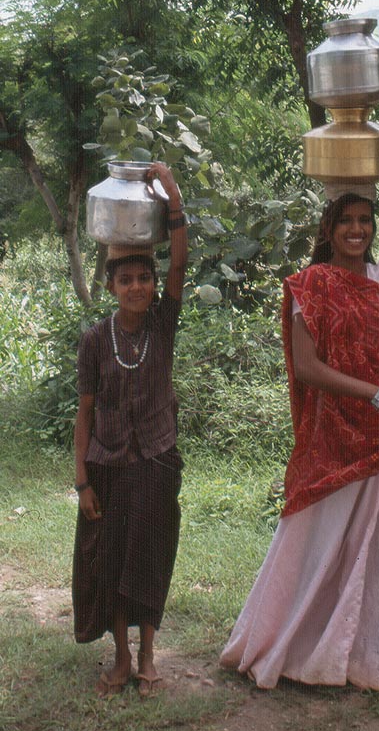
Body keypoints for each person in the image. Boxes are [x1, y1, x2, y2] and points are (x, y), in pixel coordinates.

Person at [220, 126, 379, 690]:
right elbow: (310, 368)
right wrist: (374, 393)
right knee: (315, 535)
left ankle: (356, 651)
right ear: (330, 229)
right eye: (347, 222)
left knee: (371, 543)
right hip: (337, 432)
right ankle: (288, 642)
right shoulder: (309, 285)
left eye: (365, 222)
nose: (358, 231)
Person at [72, 162, 188, 698]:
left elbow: (180, 263)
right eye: (126, 279)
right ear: (112, 285)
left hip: (157, 459)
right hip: (110, 465)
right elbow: (85, 413)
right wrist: (82, 481)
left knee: (150, 557)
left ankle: (147, 659)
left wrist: (173, 194)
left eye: (144, 277)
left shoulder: (164, 323)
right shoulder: (96, 340)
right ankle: (119, 658)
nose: (137, 286)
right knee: (115, 561)